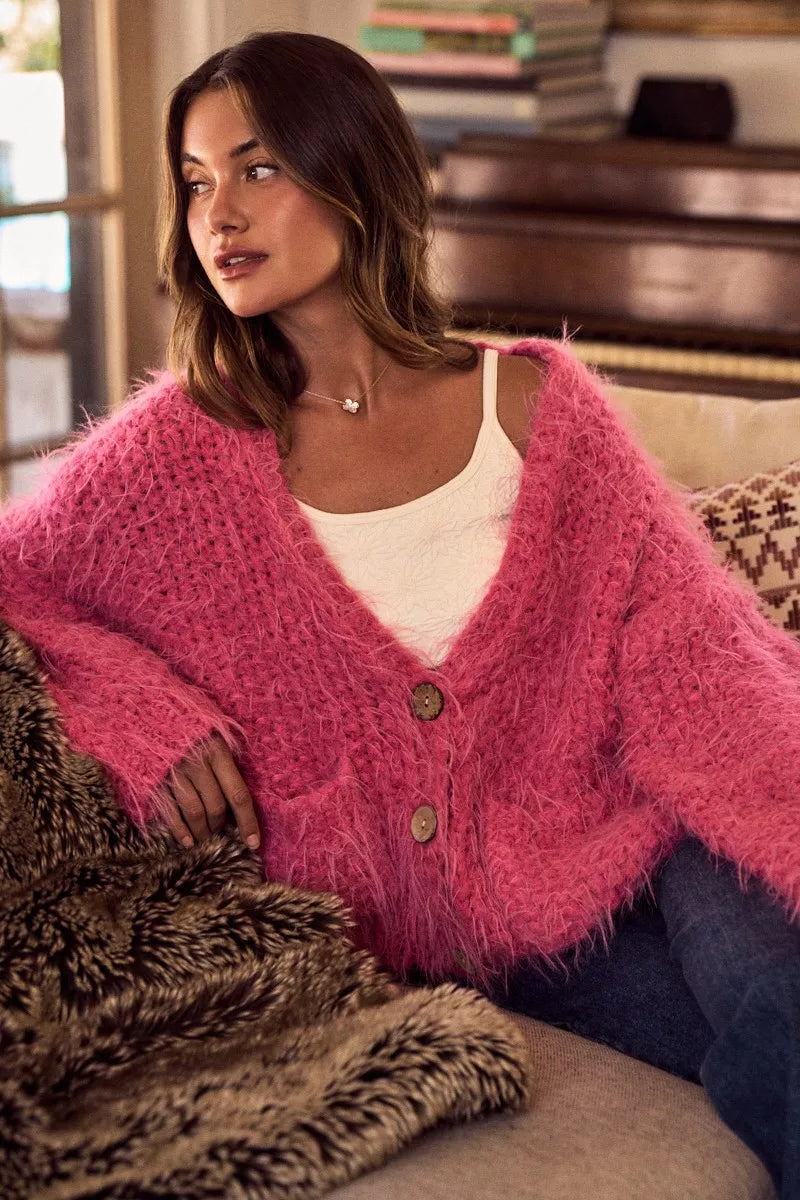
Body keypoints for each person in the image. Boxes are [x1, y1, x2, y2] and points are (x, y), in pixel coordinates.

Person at [2, 30, 800, 1196]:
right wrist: (137, 713)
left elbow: (698, 656)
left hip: (646, 837)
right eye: (193, 180)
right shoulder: (170, 459)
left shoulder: (531, 404)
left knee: (778, 985)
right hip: (492, 949)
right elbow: (15, 587)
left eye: (259, 167)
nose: (217, 212)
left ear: (355, 173)